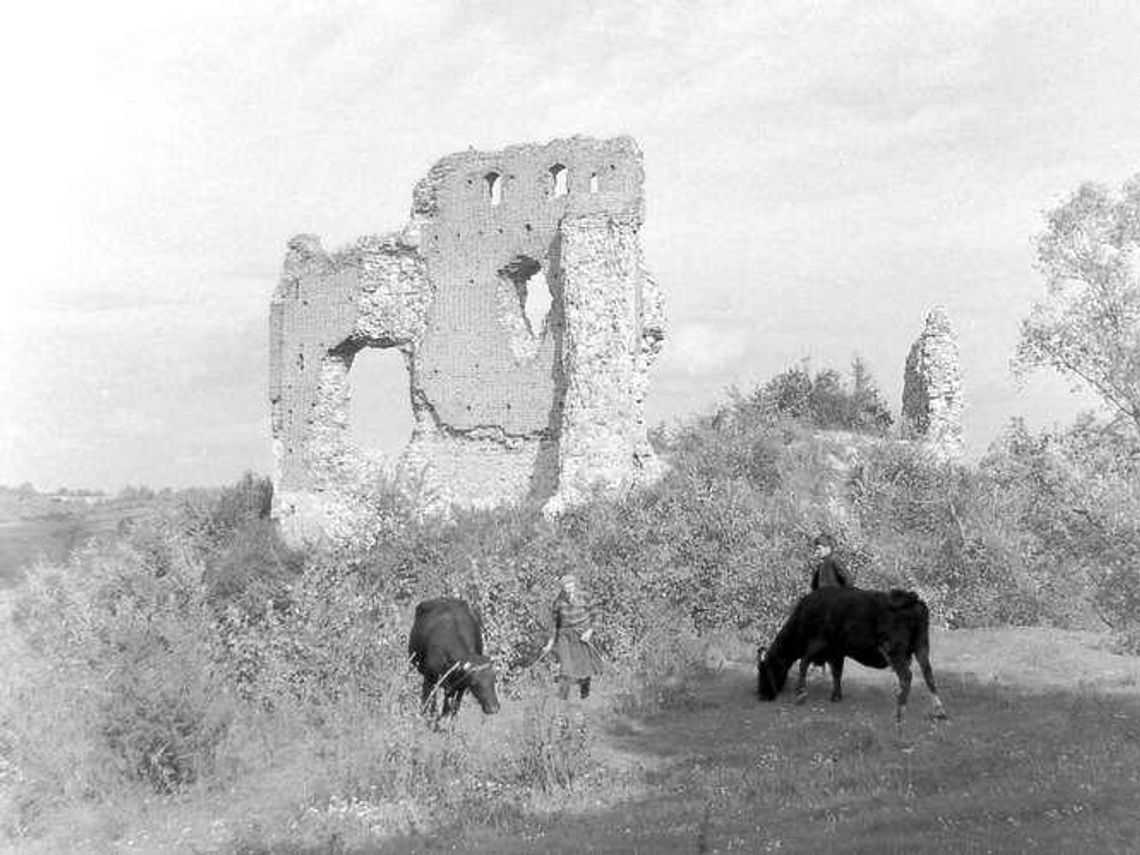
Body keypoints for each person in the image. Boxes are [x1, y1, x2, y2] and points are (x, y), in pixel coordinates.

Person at [539, 573, 604, 700]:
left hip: (582, 634)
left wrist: (589, 631)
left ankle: (585, 695)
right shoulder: (558, 601)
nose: (568, 588)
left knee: (585, 667)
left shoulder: (585, 596)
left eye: (570, 584)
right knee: (565, 666)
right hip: (565, 636)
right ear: (562, 588)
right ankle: (562, 698)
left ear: (574, 584)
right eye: (565, 586)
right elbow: (554, 624)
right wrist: (550, 643)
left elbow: (597, 615)